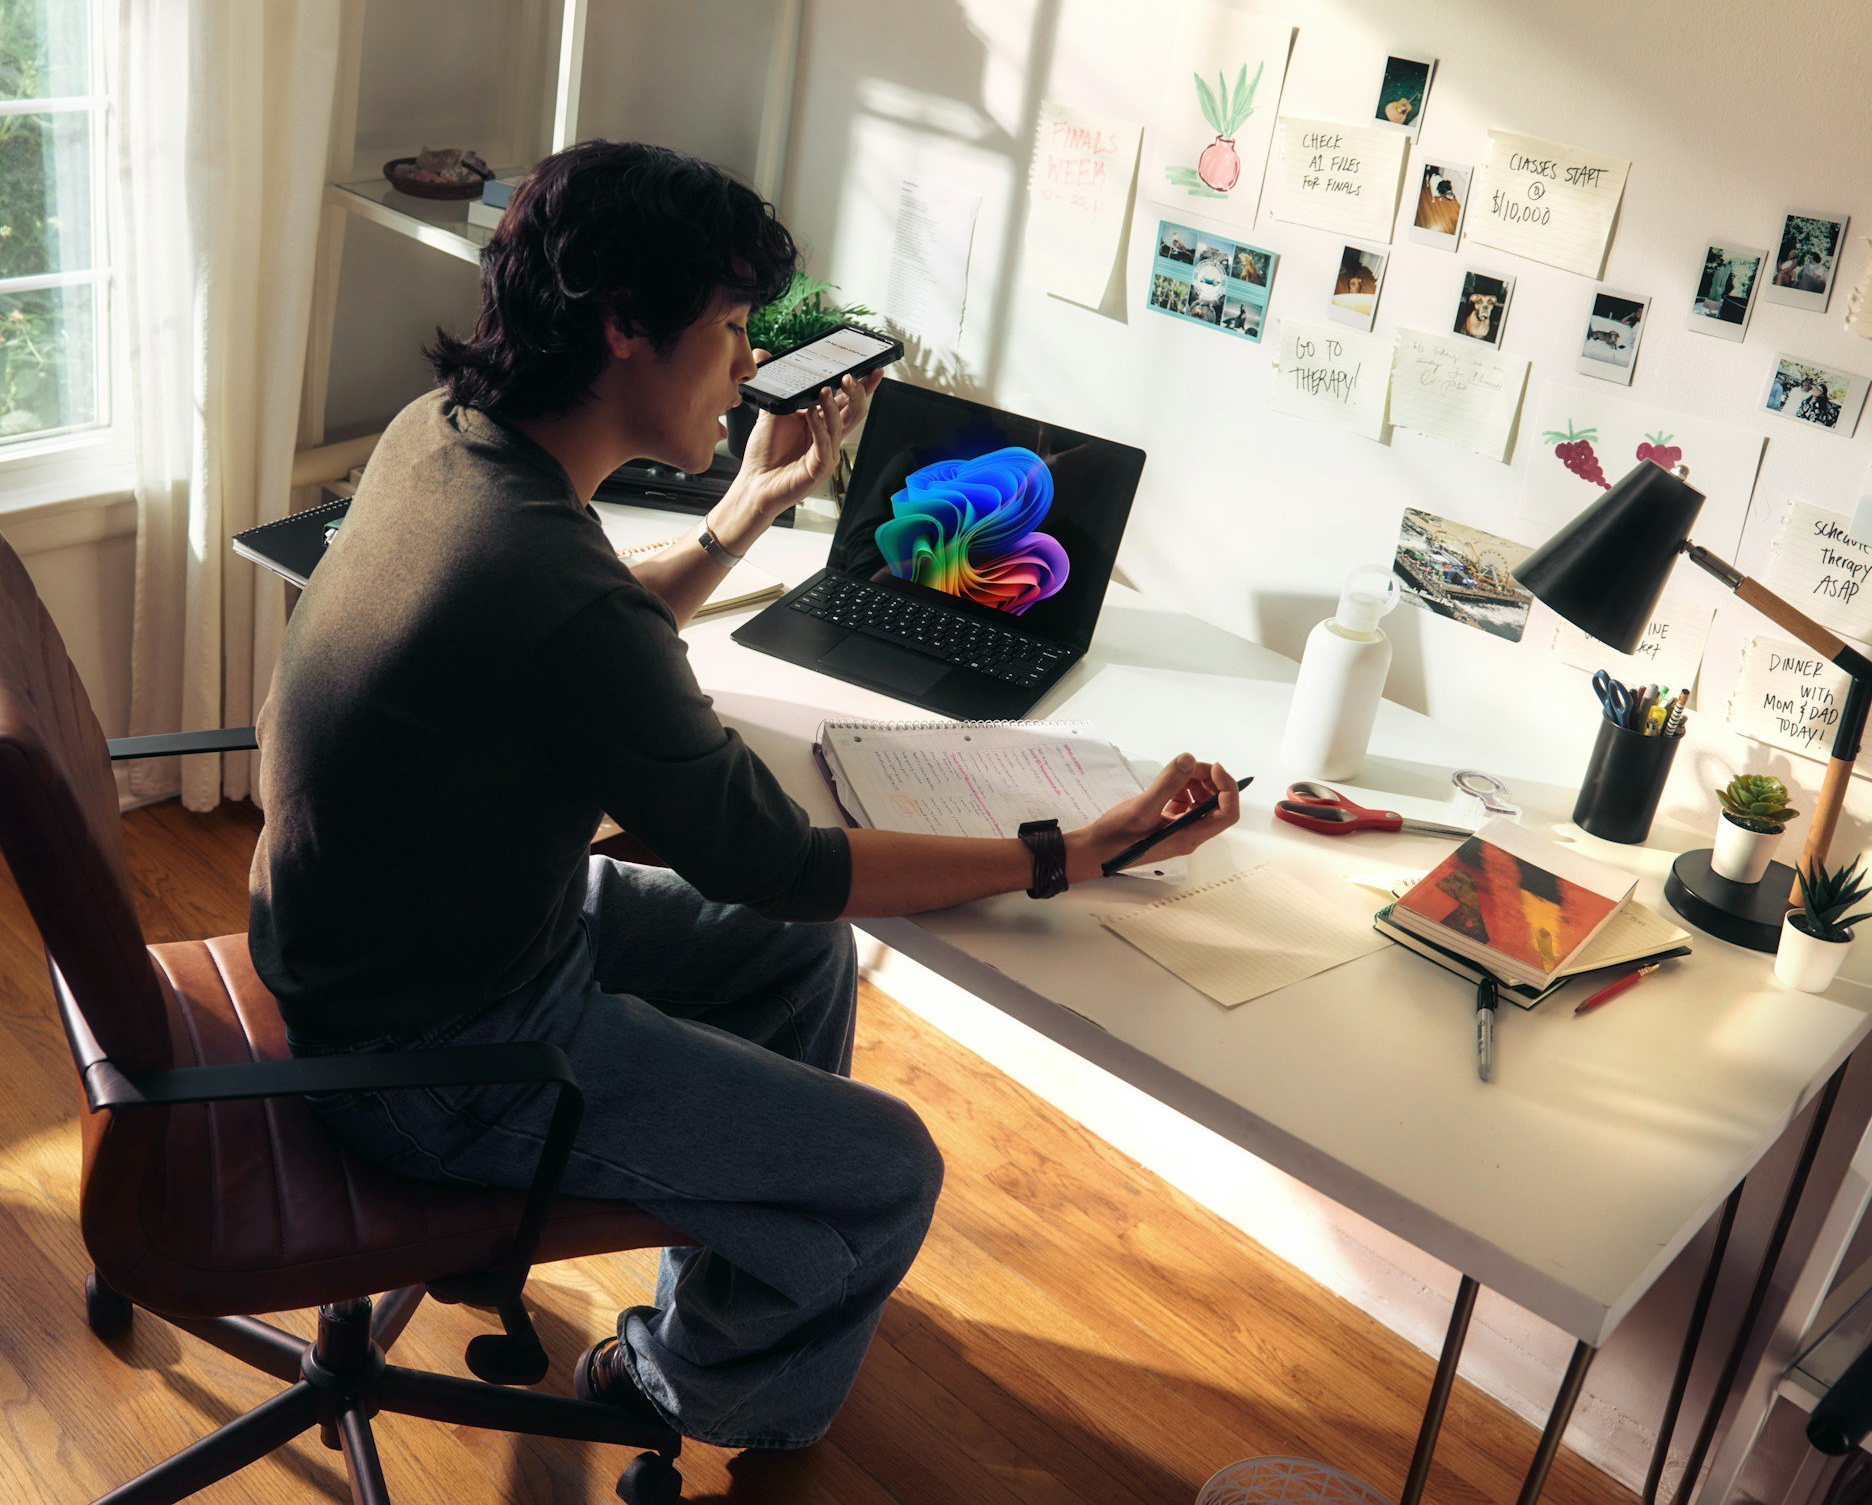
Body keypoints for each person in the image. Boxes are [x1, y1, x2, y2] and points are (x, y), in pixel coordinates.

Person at [249, 139, 1241, 1453]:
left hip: (396, 936)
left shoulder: (444, 439)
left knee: (798, 963)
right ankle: (683, 1383)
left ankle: (726, 1290)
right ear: (624, 327)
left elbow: (580, 631)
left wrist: (743, 512)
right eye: (728, 329)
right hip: (436, 1053)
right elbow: (784, 863)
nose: (747, 365)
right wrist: (1069, 851)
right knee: (887, 1171)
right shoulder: (554, 588)